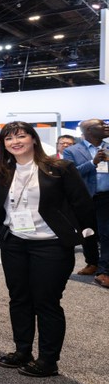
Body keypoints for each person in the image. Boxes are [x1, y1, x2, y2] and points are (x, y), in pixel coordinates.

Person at [0, 122, 95, 377]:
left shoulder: (59, 168)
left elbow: (82, 204)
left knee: (46, 302)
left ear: (33, 139)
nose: (15, 142)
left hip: (51, 245)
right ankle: (22, 350)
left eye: (21, 136)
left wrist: (88, 244)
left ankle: (48, 360)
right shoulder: (2, 171)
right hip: (14, 243)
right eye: (9, 138)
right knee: (19, 299)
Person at [61, 119, 109, 282]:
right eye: (101, 125)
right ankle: (92, 263)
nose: (106, 127)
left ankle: (104, 270)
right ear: (88, 130)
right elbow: (72, 173)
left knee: (106, 234)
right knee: (87, 232)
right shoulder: (72, 151)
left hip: (106, 196)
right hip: (85, 198)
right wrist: (93, 162)